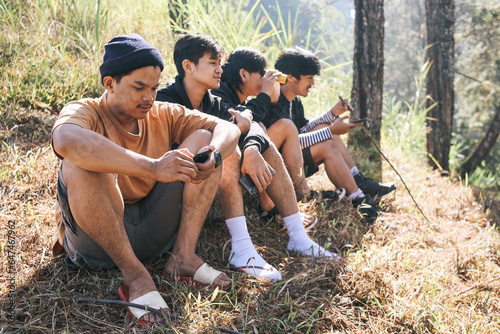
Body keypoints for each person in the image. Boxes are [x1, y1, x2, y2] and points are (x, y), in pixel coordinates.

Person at [50, 33, 241, 325]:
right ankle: (135, 275)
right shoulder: (85, 111)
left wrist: (214, 155)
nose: (149, 97)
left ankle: (183, 259)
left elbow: (226, 128)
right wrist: (153, 167)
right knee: (79, 164)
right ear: (110, 83)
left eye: (154, 88)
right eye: (139, 87)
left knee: (204, 138)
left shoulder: (162, 112)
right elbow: (65, 139)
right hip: (100, 244)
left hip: (154, 232)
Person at [156, 34, 338, 282]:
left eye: (220, 63)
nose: (220, 70)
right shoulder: (164, 100)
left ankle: (297, 236)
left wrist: (252, 147)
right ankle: (241, 248)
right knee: (226, 149)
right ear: (188, 66)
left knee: (261, 146)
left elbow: (247, 121)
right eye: (213, 63)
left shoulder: (213, 102)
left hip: (203, 190)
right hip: (167, 193)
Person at [262, 47, 397, 225]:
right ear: (292, 77)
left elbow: (303, 130)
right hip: (281, 167)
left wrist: (332, 114)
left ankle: (357, 180)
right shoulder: (273, 101)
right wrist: (331, 131)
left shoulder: (294, 100)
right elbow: (288, 144)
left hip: (295, 160)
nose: (312, 84)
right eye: (309, 78)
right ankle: (359, 199)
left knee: (326, 128)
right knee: (328, 144)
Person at [212, 47, 346, 216]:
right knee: (282, 126)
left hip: (254, 161)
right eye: (261, 72)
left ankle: (356, 188)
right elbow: (244, 122)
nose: (264, 77)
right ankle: (296, 196)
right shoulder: (219, 94)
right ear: (243, 75)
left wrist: (332, 116)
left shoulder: (245, 97)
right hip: (230, 168)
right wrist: (264, 94)